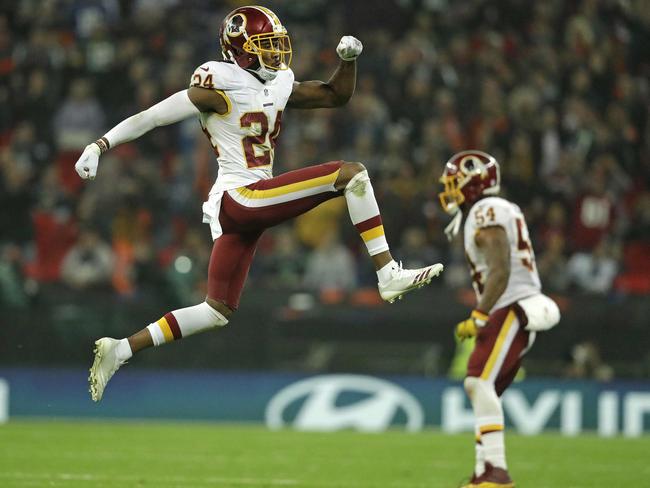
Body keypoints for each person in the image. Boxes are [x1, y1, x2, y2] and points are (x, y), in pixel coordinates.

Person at [74, 6, 443, 402]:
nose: (276, 54)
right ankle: (387, 272)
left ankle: (121, 349)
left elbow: (334, 95)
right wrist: (100, 145)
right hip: (241, 198)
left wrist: (348, 61)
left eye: (277, 45)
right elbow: (152, 117)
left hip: (248, 205)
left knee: (215, 311)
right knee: (350, 173)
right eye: (265, 45)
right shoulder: (217, 84)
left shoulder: (279, 81)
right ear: (240, 49)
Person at [438, 150, 560, 487]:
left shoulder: (483, 211)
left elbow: (501, 268)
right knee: (482, 387)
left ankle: (495, 473)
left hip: (513, 305)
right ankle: (483, 473)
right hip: (511, 305)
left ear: (471, 183)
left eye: (453, 182)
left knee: (477, 381)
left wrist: (479, 315)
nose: (448, 189)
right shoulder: (487, 210)